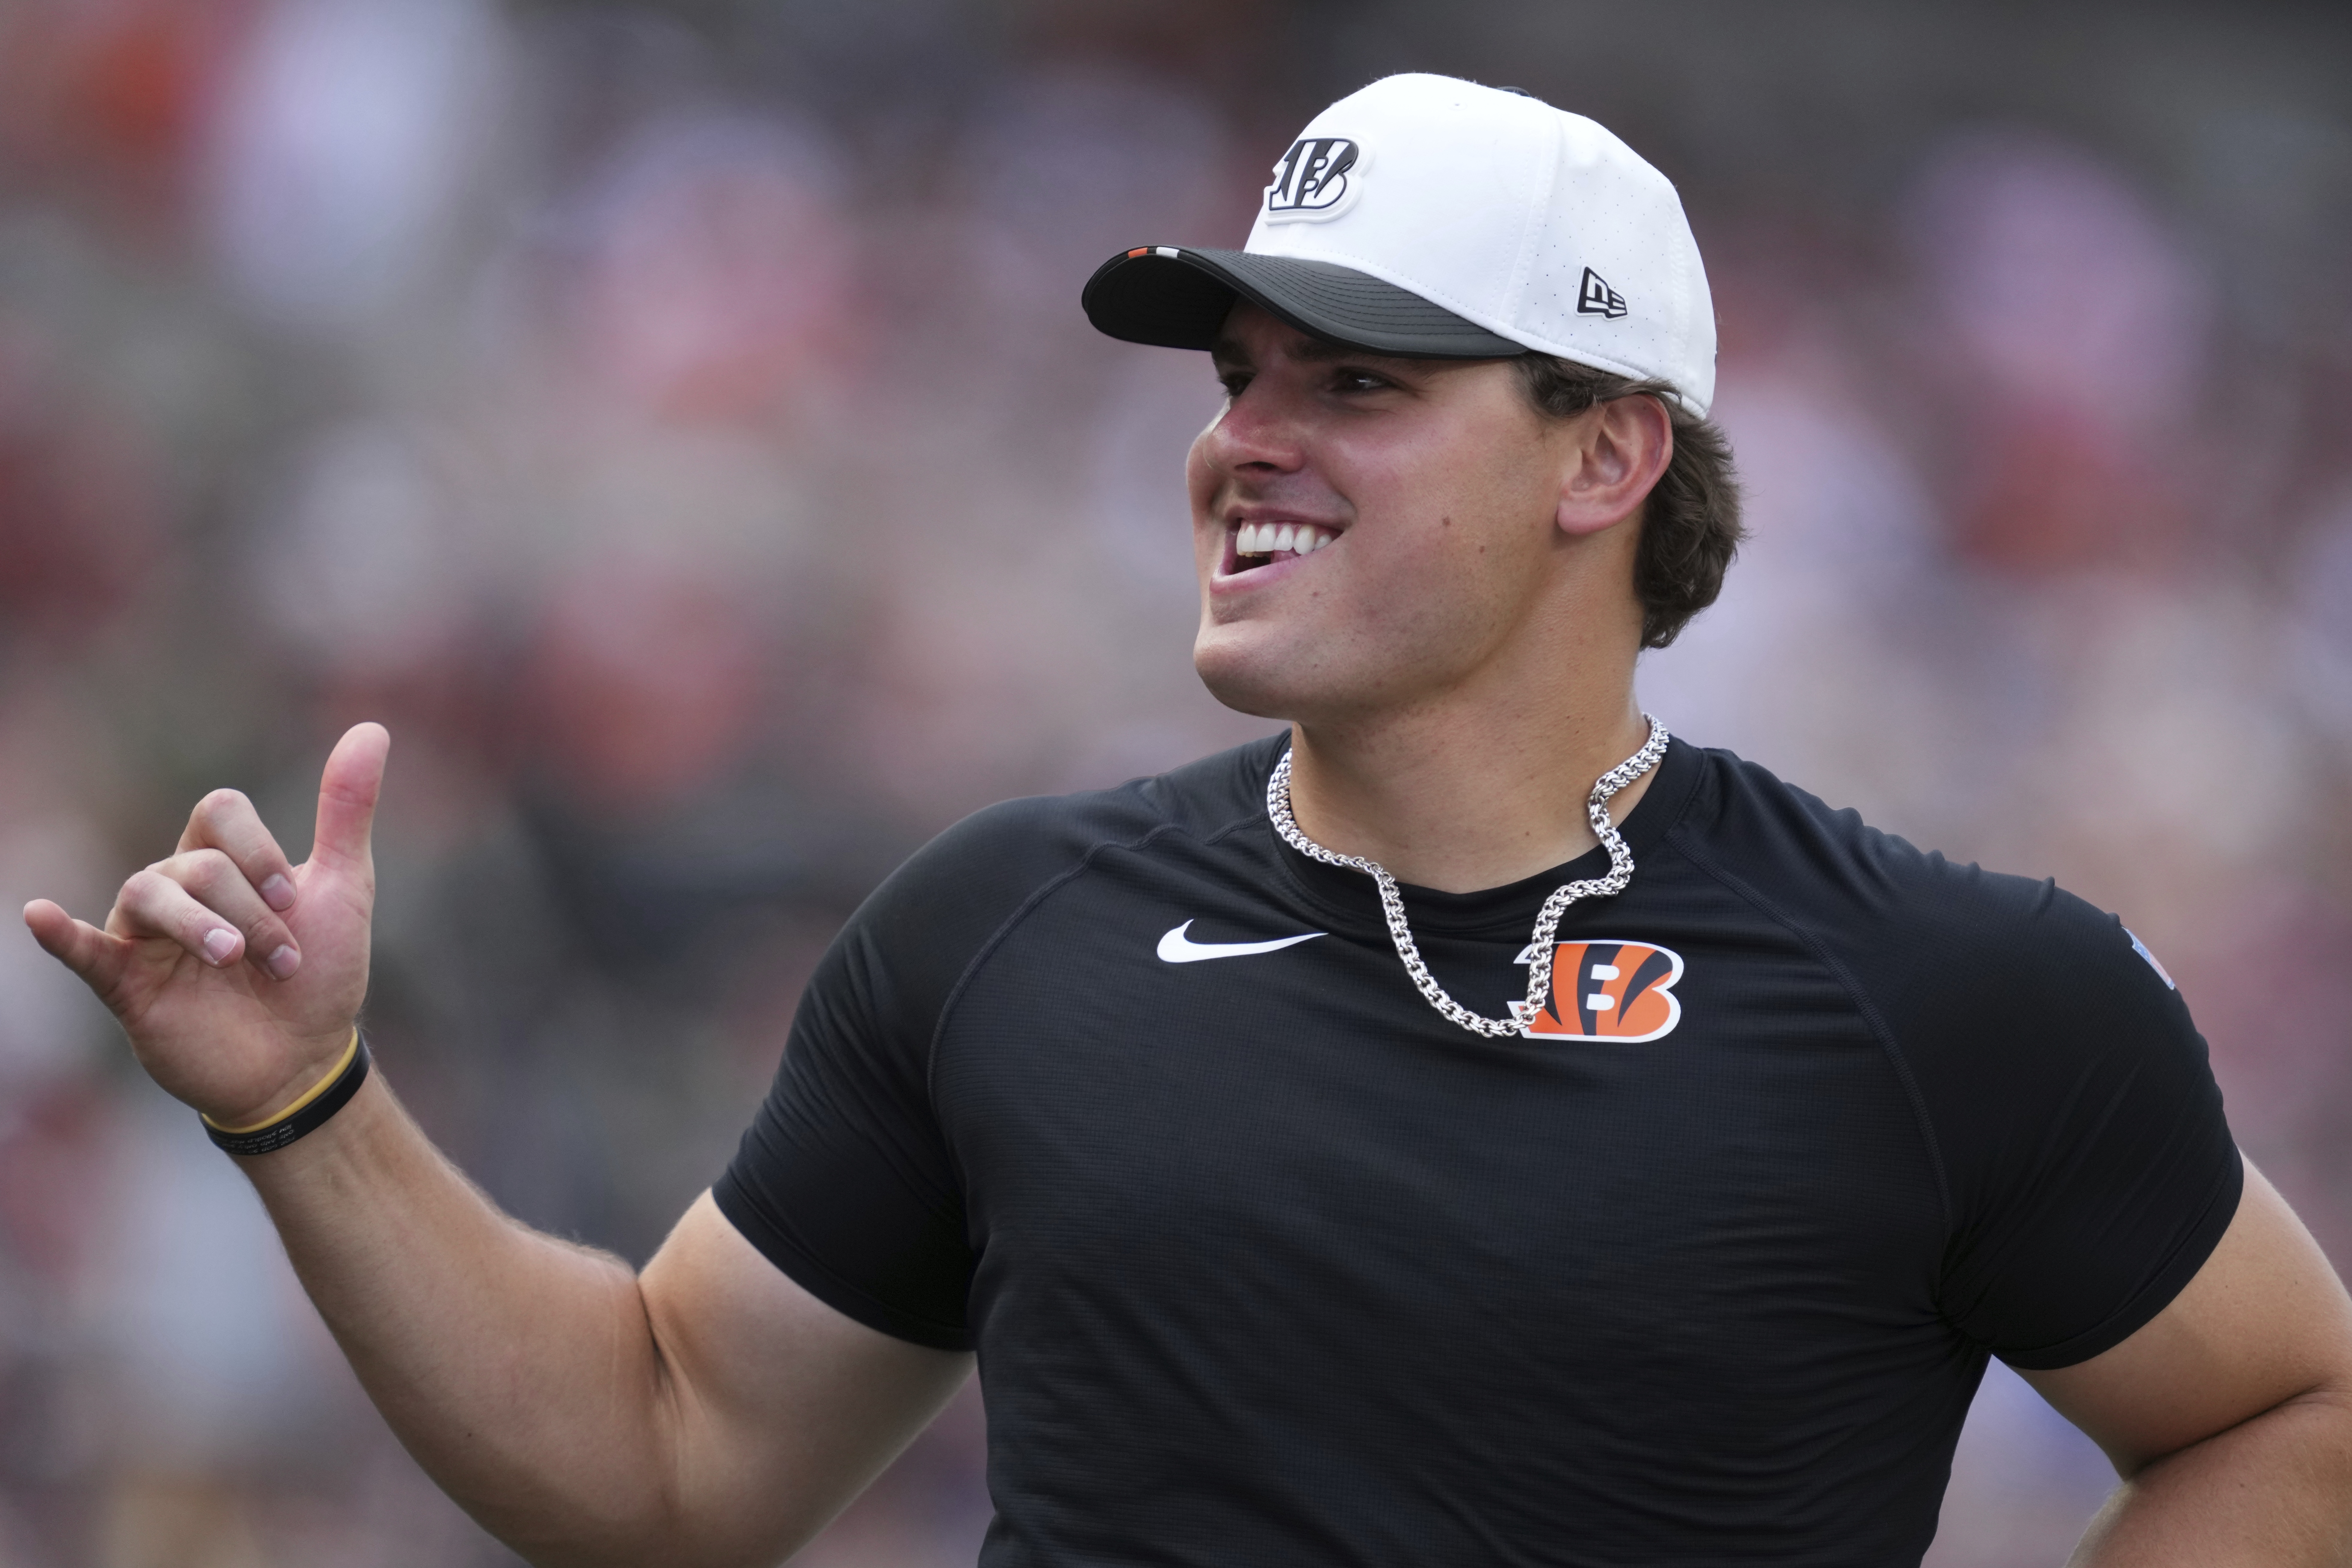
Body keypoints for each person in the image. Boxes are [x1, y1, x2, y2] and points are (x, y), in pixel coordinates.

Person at [24, 73, 2352, 1567]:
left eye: (1357, 378)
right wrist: (311, 1104)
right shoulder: (1005, 923)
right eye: (1241, 375)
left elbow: (2288, 1414)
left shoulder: (1946, 982)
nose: (1247, 438)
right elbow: (659, 1455)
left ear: (1603, 454)